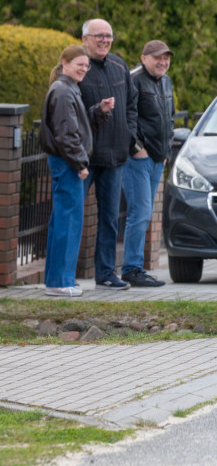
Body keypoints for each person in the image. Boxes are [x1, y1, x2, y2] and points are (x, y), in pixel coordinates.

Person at [76, 18, 138, 291]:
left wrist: (129, 135)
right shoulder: (79, 68)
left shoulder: (119, 65)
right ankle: (64, 275)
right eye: (98, 35)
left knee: (110, 219)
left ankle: (105, 274)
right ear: (84, 39)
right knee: (72, 215)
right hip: (84, 158)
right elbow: (71, 112)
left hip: (114, 157)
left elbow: (132, 104)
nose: (104, 40)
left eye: (108, 36)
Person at [40, 45, 94, 297]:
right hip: (67, 162)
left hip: (64, 161)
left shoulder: (66, 88)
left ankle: (58, 279)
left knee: (63, 219)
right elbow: (66, 133)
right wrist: (80, 163)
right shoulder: (63, 91)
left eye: (86, 65)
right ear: (64, 63)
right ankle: (60, 282)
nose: (84, 69)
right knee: (68, 220)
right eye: (79, 64)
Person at [121, 40, 174, 287]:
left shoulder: (166, 81)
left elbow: (169, 118)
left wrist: (166, 151)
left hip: (157, 160)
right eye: (157, 58)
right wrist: (136, 148)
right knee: (140, 213)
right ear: (144, 58)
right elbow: (124, 117)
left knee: (145, 213)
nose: (162, 62)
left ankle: (136, 268)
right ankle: (132, 269)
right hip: (138, 159)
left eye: (166, 58)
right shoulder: (133, 79)